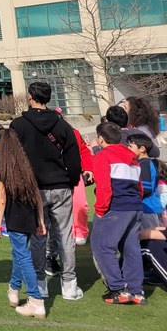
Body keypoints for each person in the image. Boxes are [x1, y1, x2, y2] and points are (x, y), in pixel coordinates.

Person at [9, 81, 84, 300]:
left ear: (31, 97)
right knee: (65, 236)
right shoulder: (62, 125)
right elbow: (74, 158)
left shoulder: (18, 125)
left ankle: (40, 283)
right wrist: (69, 181)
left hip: (33, 188)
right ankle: (69, 284)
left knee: (38, 237)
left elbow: (13, 159)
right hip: (60, 185)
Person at [0, 127, 47, 318]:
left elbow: (2, 199)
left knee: (23, 257)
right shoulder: (27, 163)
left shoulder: (0, 166)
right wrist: (40, 220)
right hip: (30, 216)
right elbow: (37, 195)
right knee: (19, 254)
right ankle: (13, 290)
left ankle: (35, 300)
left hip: (15, 219)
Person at [91, 121, 145, 304]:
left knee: (102, 246)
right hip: (135, 206)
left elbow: (105, 187)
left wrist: (100, 211)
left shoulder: (103, 156)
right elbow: (140, 187)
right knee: (131, 248)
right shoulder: (131, 156)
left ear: (100, 139)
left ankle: (118, 288)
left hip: (116, 207)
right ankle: (136, 291)